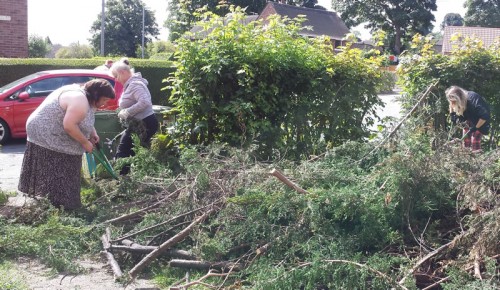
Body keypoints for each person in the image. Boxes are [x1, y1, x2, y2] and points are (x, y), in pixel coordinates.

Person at [18, 79, 115, 210]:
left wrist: (92, 132)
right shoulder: (79, 100)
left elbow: (85, 118)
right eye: (104, 100)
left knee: (64, 166)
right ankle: (58, 206)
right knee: (59, 166)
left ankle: (59, 204)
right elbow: (69, 125)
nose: (104, 104)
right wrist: (85, 142)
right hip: (45, 132)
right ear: (96, 95)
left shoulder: (87, 97)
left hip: (49, 129)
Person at [109, 58, 159, 174]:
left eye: (116, 76)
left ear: (122, 72)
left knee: (124, 151)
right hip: (138, 123)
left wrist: (127, 112)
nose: (116, 80)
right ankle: (129, 178)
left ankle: (123, 181)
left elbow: (145, 102)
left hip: (144, 123)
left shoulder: (135, 84)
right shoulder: (130, 84)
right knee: (130, 151)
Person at [446, 86, 490, 152]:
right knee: (465, 142)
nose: (452, 103)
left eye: (454, 101)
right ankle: (465, 159)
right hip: (468, 118)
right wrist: (452, 114)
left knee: (474, 142)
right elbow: (451, 104)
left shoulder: (473, 100)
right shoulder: (456, 100)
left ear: (459, 98)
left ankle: (476, 159)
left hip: (480, 121)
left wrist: (475, 127)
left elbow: (484, 116)